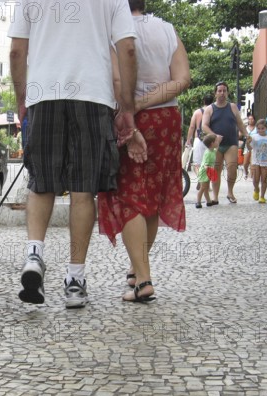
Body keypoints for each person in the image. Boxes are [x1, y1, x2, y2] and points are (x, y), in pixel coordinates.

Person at [8, 0, 146, 309]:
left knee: (41, 184)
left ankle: (34, 254)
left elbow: (17, 51)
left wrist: (22, 99)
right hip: (92, 95)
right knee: (83, 192)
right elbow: (128, 50)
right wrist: (127, 106)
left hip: (44, 94)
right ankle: (74, 280)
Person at [98, 0, 190, 302]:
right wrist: (148, 101)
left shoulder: (113, 32)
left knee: (129, 197)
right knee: (152, 197)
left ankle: (143, 281)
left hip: (128, 119)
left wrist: (133, 106)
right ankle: (138, 270)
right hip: (166, 119)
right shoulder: (167, 29)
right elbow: (182, 79)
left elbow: (112, 80)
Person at [201, 81, 251, 204]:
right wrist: (214, 135)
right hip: (216, 145)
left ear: (227, 92)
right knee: (216, 170)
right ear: (215, 93)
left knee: (232, 168)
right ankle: (215, 197)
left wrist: (246, 134)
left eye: (224, 90)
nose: (222, 93)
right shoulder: (209, 109)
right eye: (219, 91)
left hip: (231, 143)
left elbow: (239, 123)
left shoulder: (232, 107)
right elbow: (204, 126)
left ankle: (230, 192)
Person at [249, 119, 267, 203]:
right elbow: (250, 148)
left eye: (262, 128)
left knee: (264, 179)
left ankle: (262, 196)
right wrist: (248, 142)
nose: (260, 130)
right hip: (256, 161)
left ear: (266, 128)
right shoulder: (254, 137)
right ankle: (256, 189)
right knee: (255, 179)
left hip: (265, 161)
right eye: (258, 128)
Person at [186, 93, 214, 177]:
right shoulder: (214, 111)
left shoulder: (197, 112)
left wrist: (188, 140)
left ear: (203, 101)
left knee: (197, 164)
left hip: (199, 139)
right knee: (209, 164)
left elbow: (192, 127)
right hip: (211, 139)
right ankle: (207, 185)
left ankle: (201, 180)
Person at [195, 134, 222, 208]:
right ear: (212, 144)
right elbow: (205, 165)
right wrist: (211, 173)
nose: (217, 142)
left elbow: (217, 149)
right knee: (203, 188)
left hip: (208, 172)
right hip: (204, 172)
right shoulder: (208, 153)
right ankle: (198, 201)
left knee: (206, 188)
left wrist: (219, 141)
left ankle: (208, 201)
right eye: (216, 141)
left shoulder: (212, 150)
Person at [242, 113, 257, 179]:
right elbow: (240, 135)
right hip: (247, 145)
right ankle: (246, 172)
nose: (251, 120)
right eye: (249, 119)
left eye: (252, 119)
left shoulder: (257, 128)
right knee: (245, 163)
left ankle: (252, 175)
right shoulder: (245, 127)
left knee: (252, 161)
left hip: (255, 145)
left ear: (254, 120)